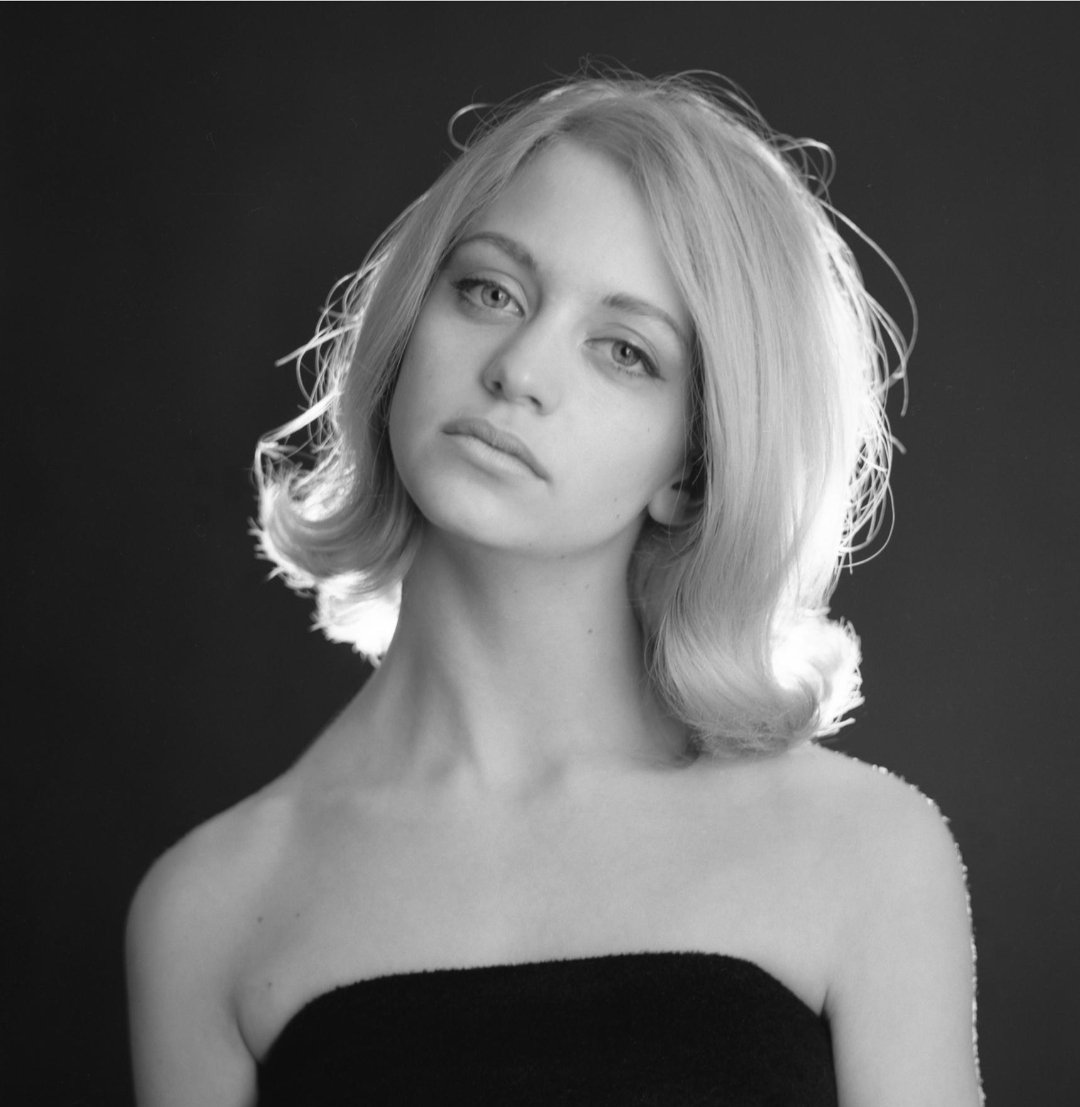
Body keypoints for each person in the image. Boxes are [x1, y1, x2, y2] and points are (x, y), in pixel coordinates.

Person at [126, 72, 982, 1105]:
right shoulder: (209, 910)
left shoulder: (865, 853)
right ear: (408, 324)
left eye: (625, 352)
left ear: (692, 471)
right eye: (490, 291)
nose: (519, 368)